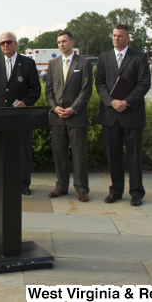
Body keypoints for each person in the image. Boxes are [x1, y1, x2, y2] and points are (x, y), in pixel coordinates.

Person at [95, 24, 152, 206]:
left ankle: (136, 193)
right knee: (113, 156)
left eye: (120, 36)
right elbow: (100, 84)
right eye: (114, 35)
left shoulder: (139, 57)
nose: (116, 38)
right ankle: (116, 191)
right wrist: (111, 102)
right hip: (110, 115)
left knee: (134, 156)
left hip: (132, 114)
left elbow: (144, 84)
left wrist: (126, 102)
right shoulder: (103, 58)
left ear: (128, 38)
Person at [0, 31, 41, 195]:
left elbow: (36, 89)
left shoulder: (28, 63)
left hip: (21, 116)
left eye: (9, 42)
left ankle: (23, 183)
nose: (6, 45)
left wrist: (26, 101)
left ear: (16, 44)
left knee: (23, 151)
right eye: (2, 43)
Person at [45, 31, 93, 202]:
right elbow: (48, 91)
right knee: (59, 154)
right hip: (57, 117)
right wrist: (55, 107)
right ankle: (61, 186)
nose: (61, 45)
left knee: (79, 154)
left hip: (76, 116)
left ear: (72, 42)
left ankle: (82, 189)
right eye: (59, 42)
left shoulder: (84, 63)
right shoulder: (53, 64)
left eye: (64, 41)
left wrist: (73, 109)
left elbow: (86, 91)